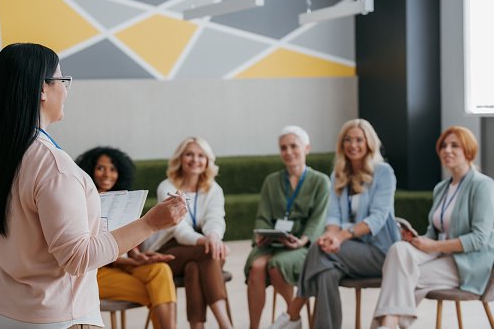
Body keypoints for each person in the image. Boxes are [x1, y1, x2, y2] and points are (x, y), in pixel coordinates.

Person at [0, 43, 187, 328]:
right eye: (62, 80)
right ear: (41, 90)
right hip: (56, 317)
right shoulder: (54, 168)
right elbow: (78, 258)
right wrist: (150, 224)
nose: (66, 90)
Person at [270, 119, 400, 329]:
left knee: (317, 248)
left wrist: (339, 237)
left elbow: (377, 218)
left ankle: (293, 313)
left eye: (359, 139)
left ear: (369, 143)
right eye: (347, 140)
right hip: (346, 250)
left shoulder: (383, 172)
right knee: (325, 272)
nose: (353, 145)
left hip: (380, 253)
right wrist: (331, 236)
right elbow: (333, 217)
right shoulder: (338, 175)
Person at [371, 126, 494, 329]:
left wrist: (433, 247)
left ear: (468, 151)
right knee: (398, 250)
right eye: (443, 146)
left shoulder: (482, 185)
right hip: (440, 254)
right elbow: (434, 233)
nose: (447, 150)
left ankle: (389, 324)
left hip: (469, 262)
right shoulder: (441, 188)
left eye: (455, 145)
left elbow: (479, 239)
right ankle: (390, 324)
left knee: (401, 276)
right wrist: (417, 240)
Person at [75, 147, 177, 329]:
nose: (107, 174)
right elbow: (92, 252)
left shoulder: (122, 202)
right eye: (101, 168)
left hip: (122, 265)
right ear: (89, 169)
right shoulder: (81, 202)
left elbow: (129, 243)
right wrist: (132, 263)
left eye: (113, 169)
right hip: (95, 274)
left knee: (160, 270)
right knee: (158, 293)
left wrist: (138, 256)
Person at [141, 136, 232, 329]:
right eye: (189, 154)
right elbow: (180, 231)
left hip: (202, 250)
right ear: (180, 158)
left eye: (201, 155)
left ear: (207, 160)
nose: (195, 159)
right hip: (169, 250)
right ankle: (226, 325)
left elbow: (215, 220)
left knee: (195, 268)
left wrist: (214, 236)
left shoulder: (214, 189)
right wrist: (208, 242)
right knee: (207, 253)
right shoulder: (167, 187)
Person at [244, 125, 330, 329]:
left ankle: (291, 316)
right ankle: (255, 326)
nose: (288, 152)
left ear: (306, 148)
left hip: (303, 244)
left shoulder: (321, 181)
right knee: (256, 267)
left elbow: (318, 220)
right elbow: (263, 216)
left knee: (276, 267)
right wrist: (261, 236)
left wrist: (303, 240)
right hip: (272, 242)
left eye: (294, 146)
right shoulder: (271, 181)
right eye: (283, 148)